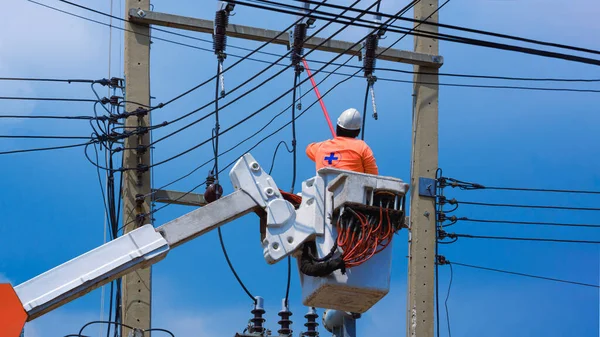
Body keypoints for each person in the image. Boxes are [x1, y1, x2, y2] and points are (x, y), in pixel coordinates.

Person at [305, 108, 378, 175]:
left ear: (337, 127)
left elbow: (309, 148)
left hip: (323, 188)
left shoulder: (320, 147)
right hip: (353, 188)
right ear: (358, 132)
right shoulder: (362, 147)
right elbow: (373, 177)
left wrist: (330, 145)